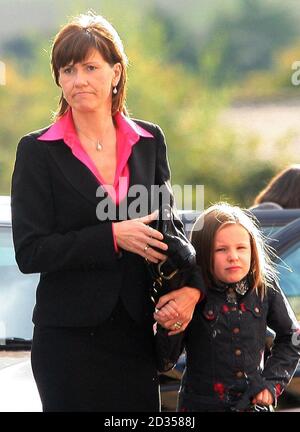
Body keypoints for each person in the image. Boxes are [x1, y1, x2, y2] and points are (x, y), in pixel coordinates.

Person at [11, 12, 203, 412]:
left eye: (90, 67)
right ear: (59, 79)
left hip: (136, 336)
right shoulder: (38, 151)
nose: (79, 79)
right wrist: (113, 237)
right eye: (68, 69)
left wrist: (193, 287)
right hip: (67, 343)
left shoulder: (149, 141)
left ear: (116, 73)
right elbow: (30, 251)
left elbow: (171, 228)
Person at [154, 203, 300, 412]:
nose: (233, 256)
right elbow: (165, 361)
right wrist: (170, 323)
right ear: (203, 254)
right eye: (221, 249)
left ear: (252, 250)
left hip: (252, 407)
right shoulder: (189, 293)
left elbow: (292, 337)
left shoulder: (263, 287)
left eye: (241, 248)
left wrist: (270, 384)